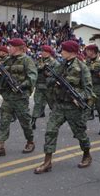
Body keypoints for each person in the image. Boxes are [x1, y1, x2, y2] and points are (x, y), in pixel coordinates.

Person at [34, 40, 95, 173]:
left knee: (80, 134)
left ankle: (86, 154)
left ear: (72, 52)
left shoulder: (82, 68)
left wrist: (76, 96)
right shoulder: (60, 65)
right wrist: (55, 81)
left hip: (74, 107)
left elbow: (88, 91)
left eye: (63, 50)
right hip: (60, 105)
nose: (61, 53)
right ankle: (47, 161)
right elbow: (49, 81)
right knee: (50, 130)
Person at [0, 39, 37, 158]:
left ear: (18, 48)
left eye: (11, 46)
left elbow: (32, 77)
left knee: (25, 122)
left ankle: (30, 142)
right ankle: (0, 147)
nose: (8, 48)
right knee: (4, 121)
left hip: (20, 97)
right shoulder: (8, 60)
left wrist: (21, 85)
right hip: (8, 97)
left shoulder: (27, 60)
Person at [31, 45, 59, 130]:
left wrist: (48, 74)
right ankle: (33, 121)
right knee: (37, 103)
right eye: (42, 51)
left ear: (49, 53)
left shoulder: (54, 63)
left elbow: (57, 75)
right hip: (39, 86)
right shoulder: (39, 61)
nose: (42, 53)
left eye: (45, 52)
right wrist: (39, 69)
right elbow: (33, 70)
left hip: (49, 87)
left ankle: (54, 122)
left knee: (52, 105)